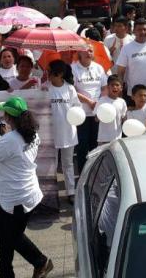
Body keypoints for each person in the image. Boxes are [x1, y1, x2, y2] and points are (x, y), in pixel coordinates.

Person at [0, 96, 53, 278]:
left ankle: (41, 262)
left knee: (12, 237)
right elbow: (17, 151)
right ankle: (6, 273)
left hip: (16, 199)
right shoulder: (32, 132)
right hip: (26, 193)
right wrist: (5, 135)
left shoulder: (11, 139)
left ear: (8, 116)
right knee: (5, 236)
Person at [46, 60, 92, 199]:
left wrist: (75, 113)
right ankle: (50, 194)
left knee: (68, 163)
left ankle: (71, 192)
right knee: (50, 164)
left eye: (50, 72)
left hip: (68, 132)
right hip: (50, 133)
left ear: (59, 74)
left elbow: (77, 107)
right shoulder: (45, 88)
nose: (47, 75)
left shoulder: (70, 88)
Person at [71, 47, 106, 172]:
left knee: (95, 146)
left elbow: (105, 88)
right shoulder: (73, 68)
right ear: (79, 52)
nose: (88, 52)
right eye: (85, 50)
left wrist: (99, 102)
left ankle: (95, 173)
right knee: (82, 146)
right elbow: (72, 90)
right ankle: (82, 174)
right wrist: (89, 102)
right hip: (81, 114)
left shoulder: (99, 68)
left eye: (91, 50)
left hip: (97, 113)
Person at [96, 75, 127, 143]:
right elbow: (96, 118)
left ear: (121, 88)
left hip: (117, 138)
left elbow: (124, 119)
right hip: (103, 138)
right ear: (107, 87)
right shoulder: (101, 100)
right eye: (112, 85)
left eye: (117, 85)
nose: (114, 87)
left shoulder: (122, 102)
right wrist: (102, 115)